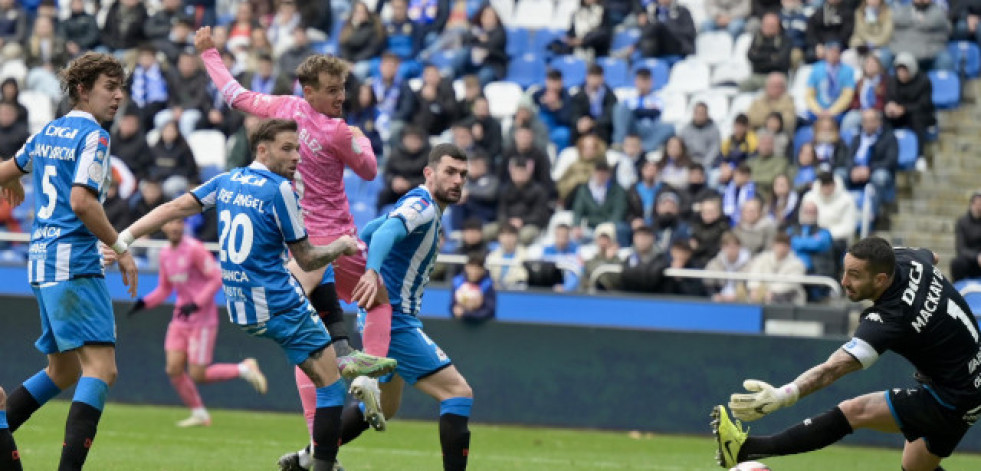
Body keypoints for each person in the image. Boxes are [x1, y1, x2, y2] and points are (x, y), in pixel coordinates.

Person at [120, 119, 360, 471]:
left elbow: (173, 208)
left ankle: (338, 360)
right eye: (287, 148)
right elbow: (307, 256)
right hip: (280, 305)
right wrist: (341, 245)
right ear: (262, 149)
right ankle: (319, 462)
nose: (296, 156)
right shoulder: (280, 190)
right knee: (332, 388)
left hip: (243, 310)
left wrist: (123, 237)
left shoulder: (227, 180)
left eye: (297, 148)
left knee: (321, 368)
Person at [713, 237, 981, 471]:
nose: (844, 282)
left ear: (881, 278)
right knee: (915, 467)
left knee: (855, 410)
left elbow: (833, 369)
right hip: (971, 380)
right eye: (845, 271)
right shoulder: (909, 260)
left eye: (854, 275)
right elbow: (931, 257)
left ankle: (744, 449)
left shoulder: (890, 316)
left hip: (951, 397)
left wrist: (784, 395)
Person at [0, 52, 140, 470]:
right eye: (109, 88)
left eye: (121, 89)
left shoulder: (47, 132)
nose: (118, 97)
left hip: (41, 262)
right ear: (82, 90)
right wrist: (120, 246)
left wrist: (10, 179)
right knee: (102, 369)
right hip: (74, 261)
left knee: (62, 370)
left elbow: (7, 169)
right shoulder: (94, 136)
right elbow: (82, 201)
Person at [337, 143, 474, 471]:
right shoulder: (423, 206)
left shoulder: (418, 202)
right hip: (395, 321)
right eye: (450, 172)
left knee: (385, 406)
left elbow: (371, 230)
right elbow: (383, 232)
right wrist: (371, 271)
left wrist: (367, 250)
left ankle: (309, 456)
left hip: (383, 318)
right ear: (430, 173)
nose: (457, 180)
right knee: (458, 392)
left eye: (463, 175)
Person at [126, 218, 269, 427]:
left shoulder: (195, 249)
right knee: (173, 369)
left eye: (178, 224)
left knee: (198, 374)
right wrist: (143, 303)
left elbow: (216, 277)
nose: (174, 227)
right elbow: (165, 289)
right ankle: (199, 413)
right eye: (170, 224)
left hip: (202, 320)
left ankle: (244, 368)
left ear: (183, 226)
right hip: (180, 318)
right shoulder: (165, 253)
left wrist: (196, 303)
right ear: (164, 226)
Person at [450, 251, 496, 323]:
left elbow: (489, 311)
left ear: (483, 269)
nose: (474, 271)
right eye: (471, 266)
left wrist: (467, 314)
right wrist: (456, 310)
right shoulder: (458, 283)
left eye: (478, 267)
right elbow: (452, 306)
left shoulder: (488, 285)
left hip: (483, 327)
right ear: (466, 267)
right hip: (461, 326)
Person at [952, 192, 981, 282]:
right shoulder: (962, 222)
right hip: (968, 260)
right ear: (971, 205)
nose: (979, 208)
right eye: (977, 205)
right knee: (957, 263)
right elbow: (960, 249)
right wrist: (977, 257)